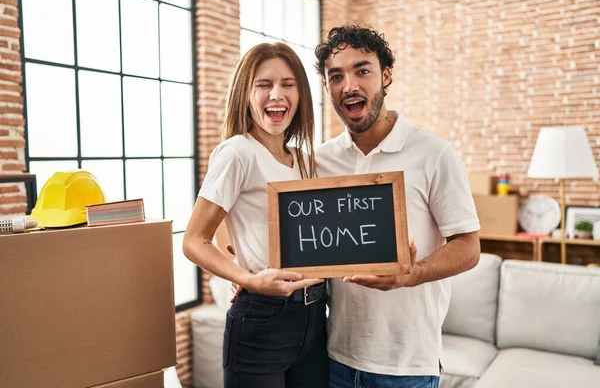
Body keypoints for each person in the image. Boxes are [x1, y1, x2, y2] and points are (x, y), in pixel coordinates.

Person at [314, 25, 481, 388]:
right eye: (336, 76)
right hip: (332, 358)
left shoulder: (434, 154)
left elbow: (469, 248)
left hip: (407, 367)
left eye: (362, 70)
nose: (349, 86)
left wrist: (411, 273)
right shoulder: (320, 161)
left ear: (386, 75)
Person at [183, 43, 328, 388]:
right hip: (263, 318)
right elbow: (194, 240)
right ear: (245, 94)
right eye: (263, 84)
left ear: (301, 94)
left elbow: (230, 225)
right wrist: (247, 278)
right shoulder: (237, 152)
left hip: (315, 316)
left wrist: (237, 255)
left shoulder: (303, 160)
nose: (276, 94)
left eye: (288, 84)